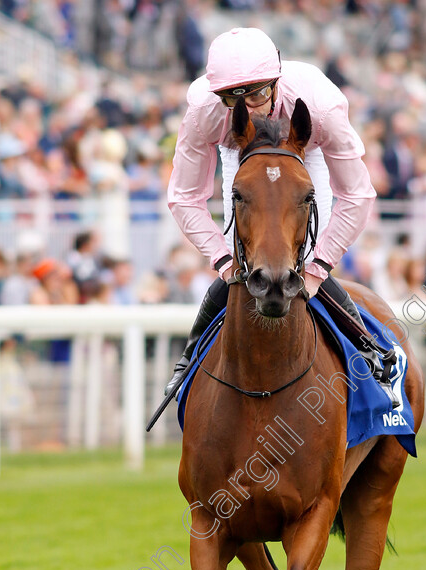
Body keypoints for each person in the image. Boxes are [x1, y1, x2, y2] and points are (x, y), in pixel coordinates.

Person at [165, 27, 397, 405]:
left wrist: (317, 268)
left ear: (275, 82)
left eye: (257, 92)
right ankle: (189, 359)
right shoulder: (206, 112)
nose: (251, 109)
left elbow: (356, 195)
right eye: (234, 98)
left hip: (305, 148)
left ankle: (370, 349)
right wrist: (223, 261)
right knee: (243, 259)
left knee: (300, 256)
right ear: (218, 95)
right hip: (240, 150)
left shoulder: (319, 108)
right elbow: (184, 196)